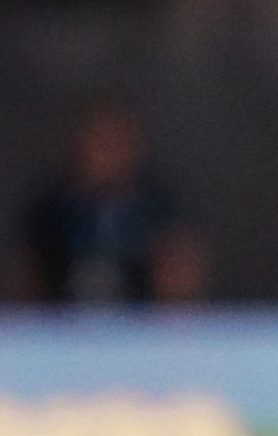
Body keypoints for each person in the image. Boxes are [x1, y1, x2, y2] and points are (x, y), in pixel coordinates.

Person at [18, 101, 203, 304]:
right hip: (60, 327)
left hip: (143, 325)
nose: (108, 153)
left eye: (117, 142)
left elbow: (182, 285)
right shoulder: (51, 210)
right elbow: (22, 285)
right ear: (78, 145)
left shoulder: (157, 209)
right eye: (99, 142)